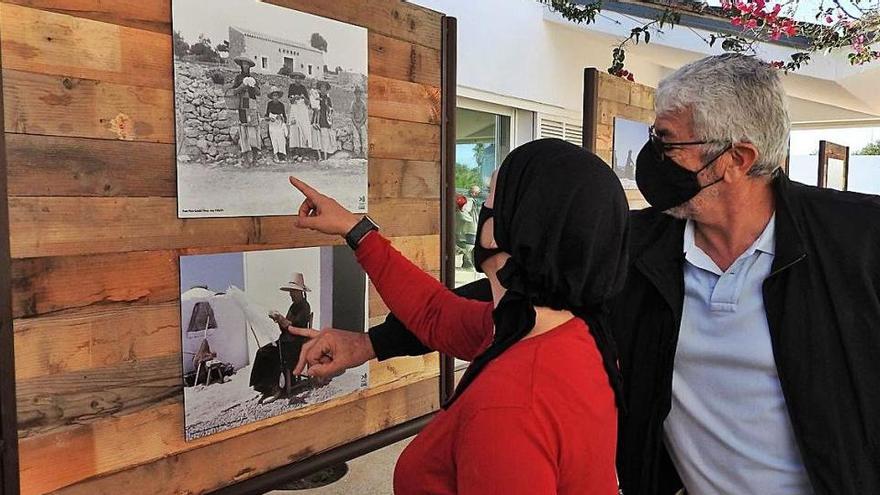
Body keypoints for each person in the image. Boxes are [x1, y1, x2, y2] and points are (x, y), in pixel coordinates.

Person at [289, 53, 880, 495]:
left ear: (737, 159)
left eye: (666, 142)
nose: (648, 155)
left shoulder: (859, 244)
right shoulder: (638, 251)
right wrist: (371, 336)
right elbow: (474, 308)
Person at [287, 137, 629, 494]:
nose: (483, 211)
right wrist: (354, 229)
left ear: (519, 228)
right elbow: (435, 312)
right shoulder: (560, 332)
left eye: (491, 201)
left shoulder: (509, 408)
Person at [268, 272, 312, 398]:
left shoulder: (305, 306)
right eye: (291, 292)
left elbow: (294, 327)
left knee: (271, 353)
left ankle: (278, 387)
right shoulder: (293, 306)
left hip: (297, 344)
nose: (291, 294)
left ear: (300, 292)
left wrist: (281, 319)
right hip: (288, 341)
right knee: (264, 351)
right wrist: (278, 320)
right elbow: (285, 328)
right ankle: (270, 387)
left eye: (293, 292)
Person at [231, 55, 261, 166]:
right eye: (244, 64)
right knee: (243, 131)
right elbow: (233, 91)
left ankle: (255, 158)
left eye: (247, 65)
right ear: (241, 66)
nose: (245, 66)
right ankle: (246, 159)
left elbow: (258, 93)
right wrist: (242, 86)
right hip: (242, 105)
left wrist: (252, 86)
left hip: (252, 105)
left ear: (249, 67)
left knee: (253, 131)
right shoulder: (238, 78)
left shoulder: (253, 78)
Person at [287, 72, 312, 162]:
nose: (297, 80)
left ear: (301, 79)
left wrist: (303, 97)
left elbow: (308, 102)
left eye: (299, 78)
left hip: (302, 110)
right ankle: (295, 152)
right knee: (294, 129)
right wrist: (295, 98)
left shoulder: (303, 88)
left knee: (303, 128)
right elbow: (290, 100)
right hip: (294, 109)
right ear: (294, 79)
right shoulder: (291, 87)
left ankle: (303, 152)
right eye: (296, 78)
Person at [265, 86, 288, 163]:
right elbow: (266, 117)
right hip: (272, 125)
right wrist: (270, 118)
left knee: (281, 136)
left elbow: (285, 118)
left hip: (279, 125)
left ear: (278, 96)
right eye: (273, 95)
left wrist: (280, 117)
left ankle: (282, 154)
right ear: (271, 97)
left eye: (276, 95)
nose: (275, 97)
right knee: (274, 136)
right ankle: (275, 154)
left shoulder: (282, 105)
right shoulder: (269, 104)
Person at [315, 80, 335, 160]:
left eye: (324, 87)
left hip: (325, 118)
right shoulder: (317, 96)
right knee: (317, 136)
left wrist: (328, 107)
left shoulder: (328, 98)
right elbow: (312, 106)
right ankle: (319, 155)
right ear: (319, 88)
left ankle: (325, 154)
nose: (323, 89)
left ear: (326, 89)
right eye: (321, 87)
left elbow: (331, 109)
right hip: (318, 117)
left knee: (325, 136)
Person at [349, 85, 368, 157]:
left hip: (362, 122)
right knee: (356, 137)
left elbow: (365, 115)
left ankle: (365, 152)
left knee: (364, 136)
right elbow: (352, 116)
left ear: (361, 94)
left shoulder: (363, 103)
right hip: (355, 123)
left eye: (359, 94)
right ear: (355, 94)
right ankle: (357, 152)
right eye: (357, 94)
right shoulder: (353, 103)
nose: (358, 95)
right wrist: (356, 125)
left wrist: (361, 124)